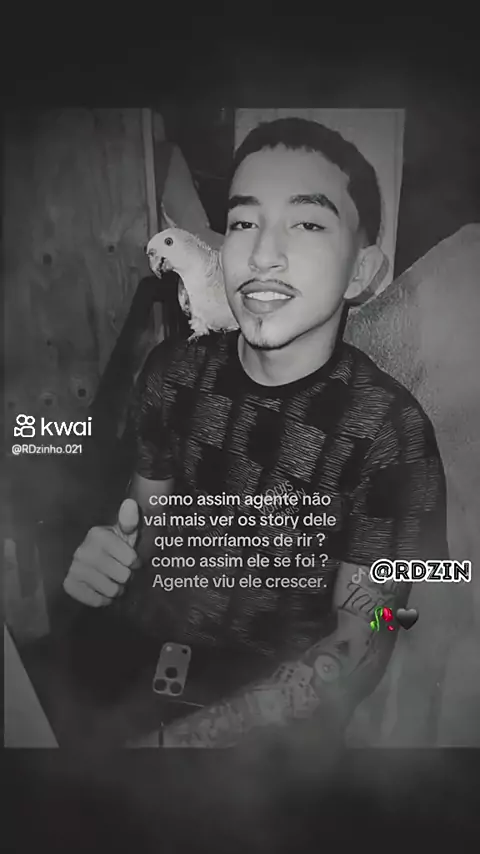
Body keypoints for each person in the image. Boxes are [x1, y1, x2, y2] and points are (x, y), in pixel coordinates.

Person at [63, 117, 449, 748]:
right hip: (129, 667)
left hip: (264, 734)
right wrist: (109, 558)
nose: (263, 254)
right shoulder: (172, 371)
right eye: (243, 222)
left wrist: (178, 747)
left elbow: (364, 635)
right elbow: (144, 524)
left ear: (361, 271)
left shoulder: (391, 433)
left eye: (308, 223)